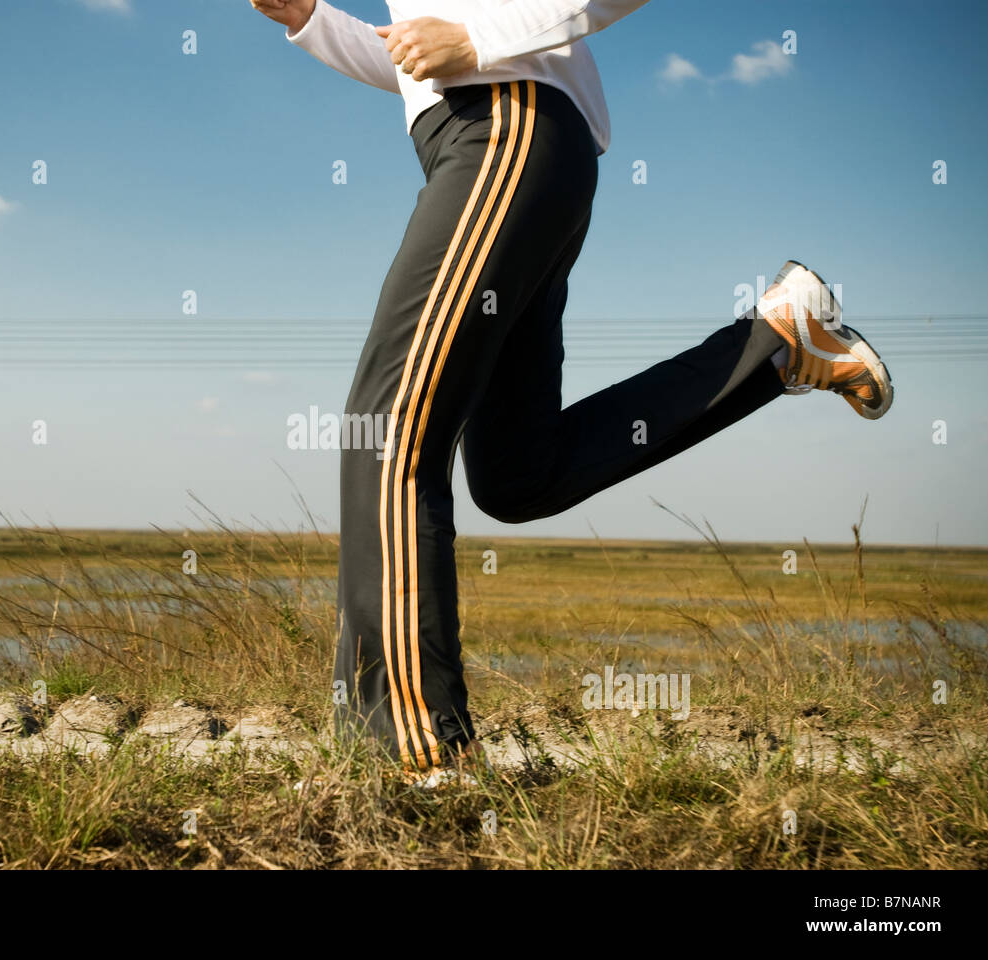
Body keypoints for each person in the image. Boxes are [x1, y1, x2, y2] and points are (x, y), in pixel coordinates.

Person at [249, 0, 893, 777]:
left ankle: (413, 753)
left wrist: (476, 38)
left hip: (505, 131)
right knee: (518, 474)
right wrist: (310, 18)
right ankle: (778, 343)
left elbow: (470, 40)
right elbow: (415, 63)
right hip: (498, 147)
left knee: (388, 426)